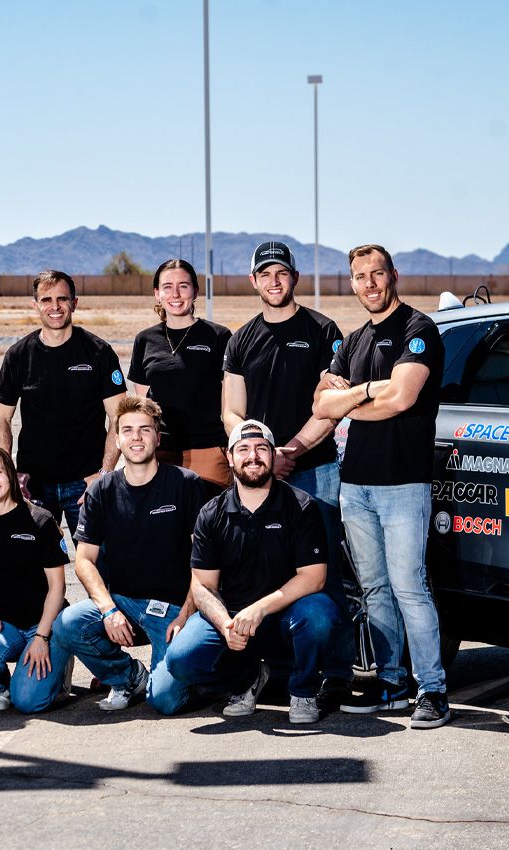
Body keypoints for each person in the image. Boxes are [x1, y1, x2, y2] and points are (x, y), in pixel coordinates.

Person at [313, 243, 451, 729]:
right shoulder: (351, 341)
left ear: (393, 275)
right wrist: (370, 391)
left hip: (403, 483)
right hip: (357, 486)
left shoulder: (419, 330)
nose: (369, 283)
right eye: (360, 276)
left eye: (377, 273)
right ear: (351, 283)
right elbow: (322, 406)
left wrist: (355, 396)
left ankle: (432, 689)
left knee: (410, 587)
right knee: (373, 590)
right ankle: (393, 684)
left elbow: (401, 397)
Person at [222, 240, 354, 709]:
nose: (274, 281)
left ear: (294, 278)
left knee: (325, 574)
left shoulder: (323, 330)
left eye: (282, 273)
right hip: (260, 473)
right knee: (265, 573)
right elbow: (231, 411)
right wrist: (260, 450)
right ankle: (279, 671)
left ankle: (337, 673)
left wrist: (291, 448)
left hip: (314, 472)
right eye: (265, 274)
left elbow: (333, 407)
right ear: (253, 281)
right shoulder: (241, 340)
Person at [156, 420, 339, 724]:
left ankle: (303, 690)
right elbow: (202, 586)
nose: (252, 456)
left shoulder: (300, 506)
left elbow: (314, 576)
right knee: (180, 660)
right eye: (243, 449)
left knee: (320, 613)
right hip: (235, 619)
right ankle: (245, 681)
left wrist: (258, 609)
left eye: (261, 448)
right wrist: (225, 624)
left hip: (284, 616)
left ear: (272, 455)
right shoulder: (212, 513)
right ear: (229, 457)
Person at [54, 397, 206, 713]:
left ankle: (204, 674)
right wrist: (108, 609)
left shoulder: (185, 484)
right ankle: (128, 677)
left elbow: (204, 561)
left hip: (173, 608)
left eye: (144, 430)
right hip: (122, 602)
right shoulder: (102, 490)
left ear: (157, 437)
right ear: (118, 438)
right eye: (127, 430)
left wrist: (187, 613)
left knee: (165, 700)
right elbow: (84, 561)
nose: (136, 438)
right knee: (68, 624)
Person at [0, 270, 127, 533]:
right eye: (46, 300)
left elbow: (119, 417)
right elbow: (0, 419)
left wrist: (104, 474)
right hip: (34, 484)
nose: (54, 307)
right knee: (34, 569)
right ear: (35, 305)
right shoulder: (18, 356)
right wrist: (9, 471)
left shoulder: (99, 352)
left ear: (74, 303)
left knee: (98, 564)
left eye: (62, 299)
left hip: (86, 481)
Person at [0, 446, 71, 713]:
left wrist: (42, 637)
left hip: (44, 623)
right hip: (5, 626)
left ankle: (59, 663)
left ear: (10, 474)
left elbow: (58, 586)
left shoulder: (40, 520)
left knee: (29, 702)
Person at [129, 259, 231, 491]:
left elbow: (230, 401)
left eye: (183, 286)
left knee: (212, 522)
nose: (175, 294)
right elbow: (144, 405)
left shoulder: (218, 336)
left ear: (195, 291)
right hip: (161, 453)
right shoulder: (145, 340)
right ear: (157, 294)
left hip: (208, 450)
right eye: (167, 287)